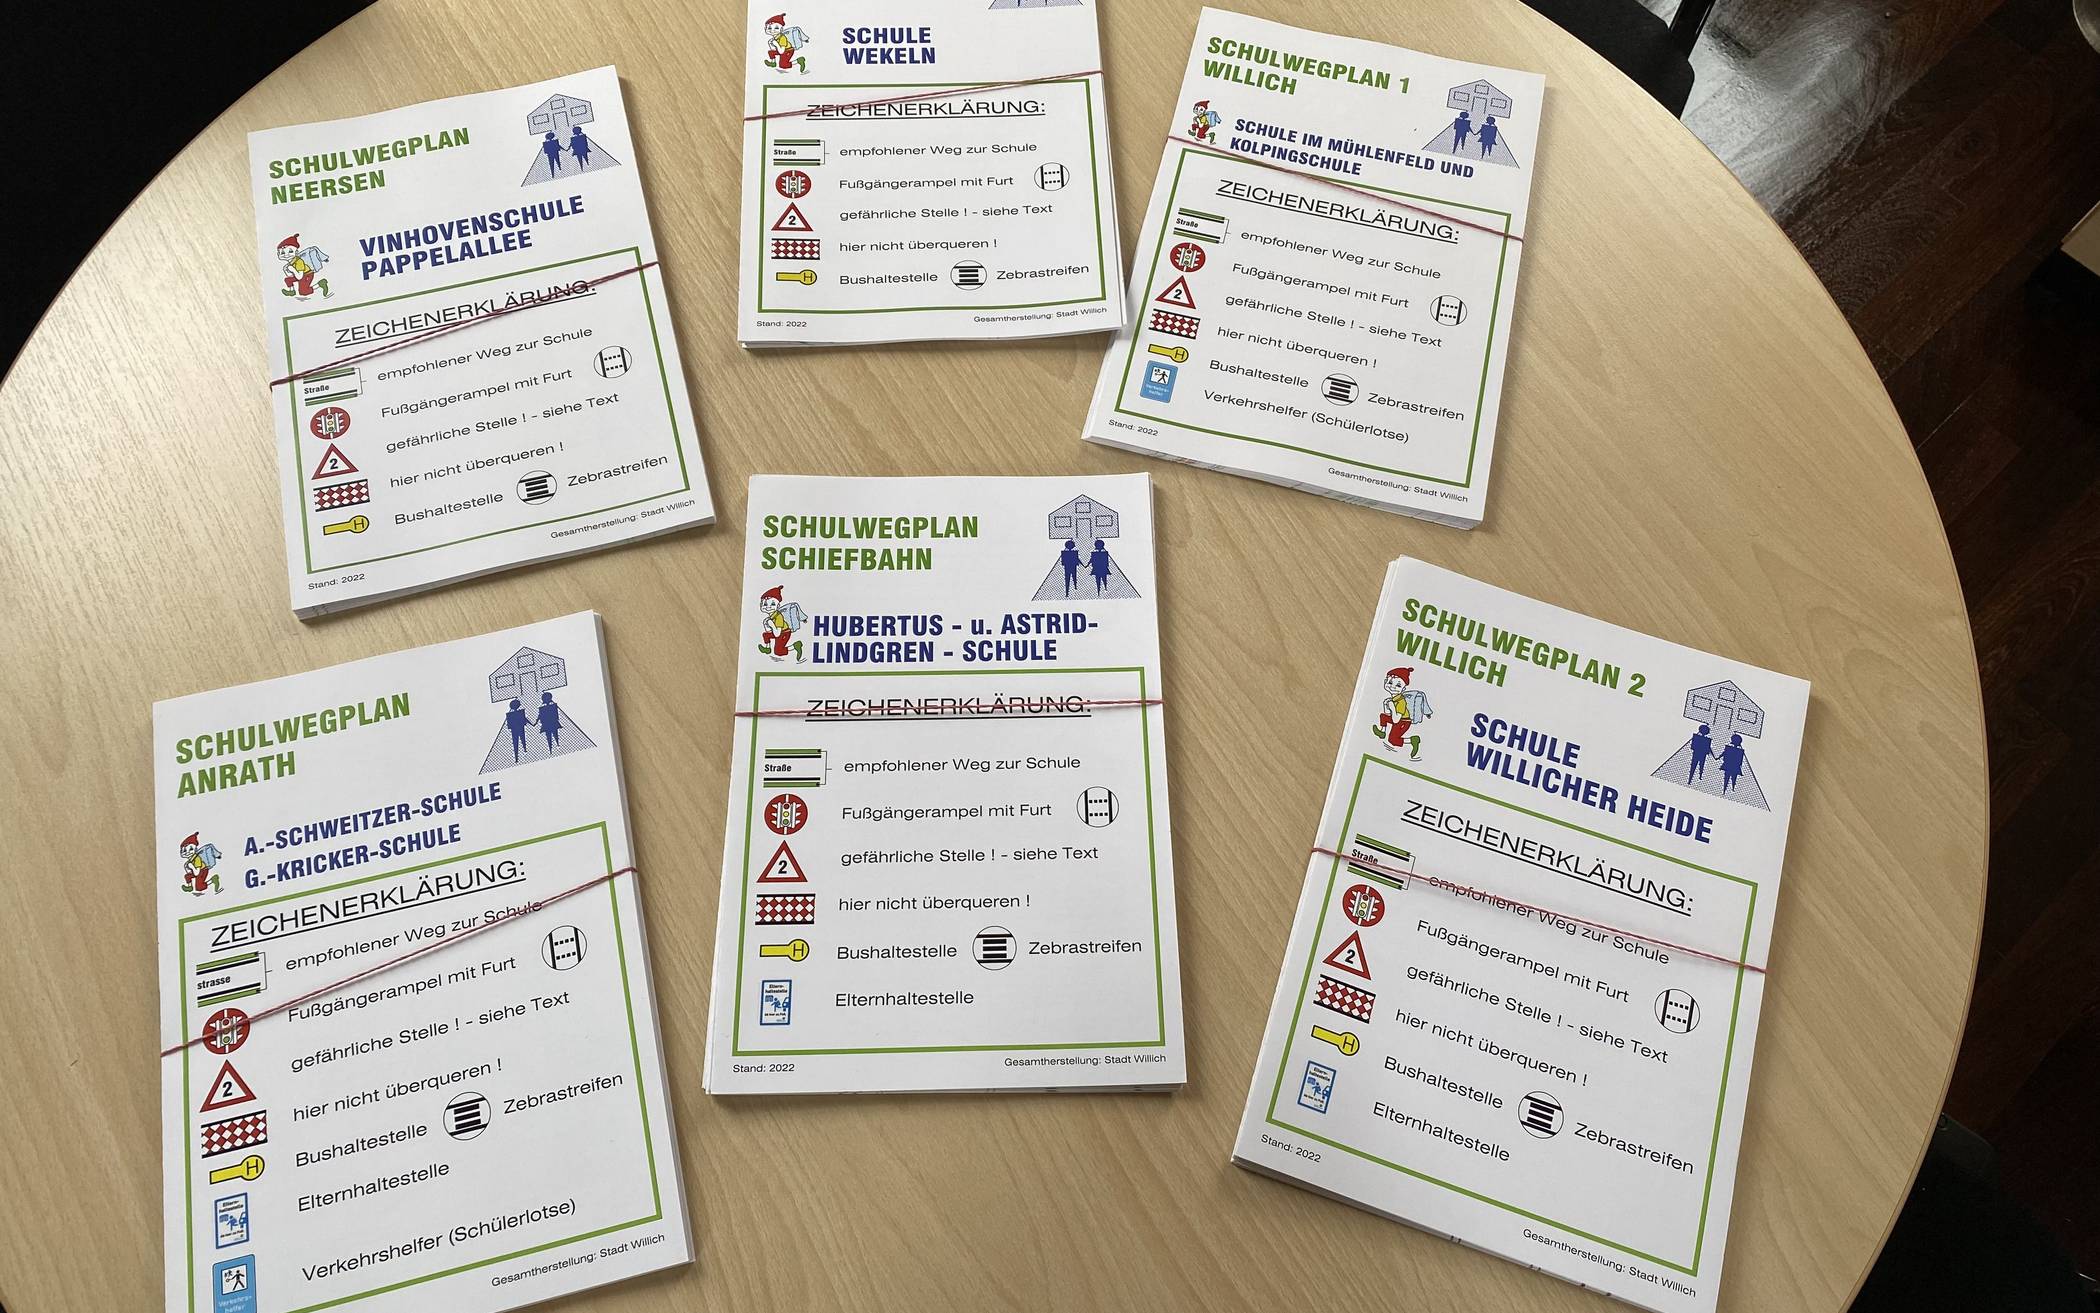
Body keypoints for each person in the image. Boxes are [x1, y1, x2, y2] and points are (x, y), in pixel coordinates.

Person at [505, 698, 530, 762]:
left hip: (515, 729)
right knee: (521, 740)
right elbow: (525, 719)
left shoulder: (510, 714)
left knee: (516, 742)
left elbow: (509, 724)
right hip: (519, 727)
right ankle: (523, 750)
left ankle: (518, 756)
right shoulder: (519, 712)